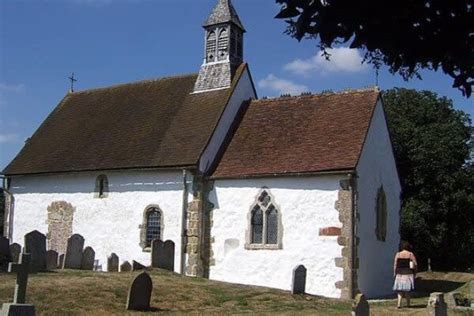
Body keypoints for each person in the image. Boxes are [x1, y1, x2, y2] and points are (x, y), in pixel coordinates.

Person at [393, 240, 417, 308]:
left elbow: (395, 264)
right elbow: (415, 264)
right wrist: (415, 271)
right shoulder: (410, 254)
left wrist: (394, 273)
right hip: (408, 273)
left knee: (400, 290)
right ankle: (408, 304)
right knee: (407, 290)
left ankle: (399, 304)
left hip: (400, 274)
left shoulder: (398, 254)